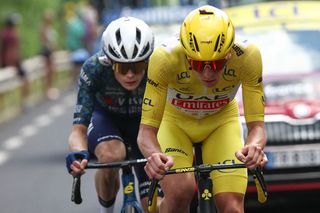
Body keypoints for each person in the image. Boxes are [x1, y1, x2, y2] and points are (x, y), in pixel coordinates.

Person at [137, 5, 268, 213]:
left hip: (221, 123)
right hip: (175, 124)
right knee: (181, 191)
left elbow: (258, 127)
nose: (208, 74)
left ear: (228, 55)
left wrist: (254, 146)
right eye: (198, 65)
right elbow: (145, 133)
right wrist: (153, 155)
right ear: (187, 56)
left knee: (232, 207)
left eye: (216, 64)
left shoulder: (247, 55)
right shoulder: (164, 58)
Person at [65, 16, 162, 213]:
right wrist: (78, 154)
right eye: (122, 67)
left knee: (154, 208)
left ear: (147, 61)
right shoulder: (94, 68)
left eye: (136, 67)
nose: (130, 75)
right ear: (109, 61)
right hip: (106, 119)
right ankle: (106, 210)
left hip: (145, 124)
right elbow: (78, 130)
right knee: (111, 156)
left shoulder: (159, 66)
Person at [39, 10, 59, 100]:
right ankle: (47, 90)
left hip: (50, 50)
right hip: (47, 50)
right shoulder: (44, 28)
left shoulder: (49, 28)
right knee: (48, 71)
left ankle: (49, 88)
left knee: (51, 71)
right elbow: (45, 41)